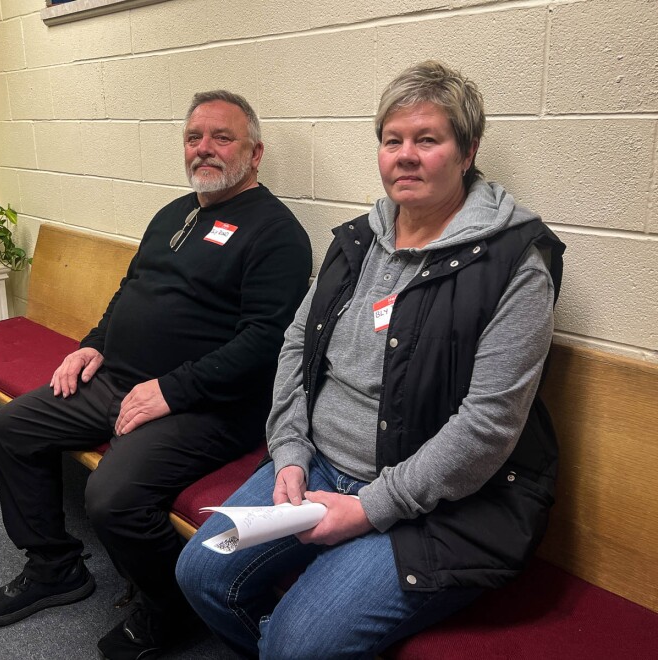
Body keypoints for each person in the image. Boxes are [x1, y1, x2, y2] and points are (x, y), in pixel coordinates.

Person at [176, 61, 565, 659]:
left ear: (468, 152)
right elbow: (296, 345)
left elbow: (487, 426)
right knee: (199, 573)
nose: (405, 156)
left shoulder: (515, 265)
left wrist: (367, 509)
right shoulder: (357, 242)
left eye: (427, 140)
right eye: (392, 140)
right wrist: (289, 453)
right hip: (317, 466)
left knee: (296, 645)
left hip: (439, 503)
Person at [0, 90, 313, 659]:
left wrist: (171, 390)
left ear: (255, 154)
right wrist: (92, 346)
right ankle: (55, 567)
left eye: (221, 137)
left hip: (209, 406)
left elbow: (265, 344)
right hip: (119, 380)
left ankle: (170, 609)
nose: (203, 149)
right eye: (193, 137)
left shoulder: (277, 234)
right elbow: (129, 292)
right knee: (14, 426)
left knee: (112, 497)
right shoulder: (174, 214)